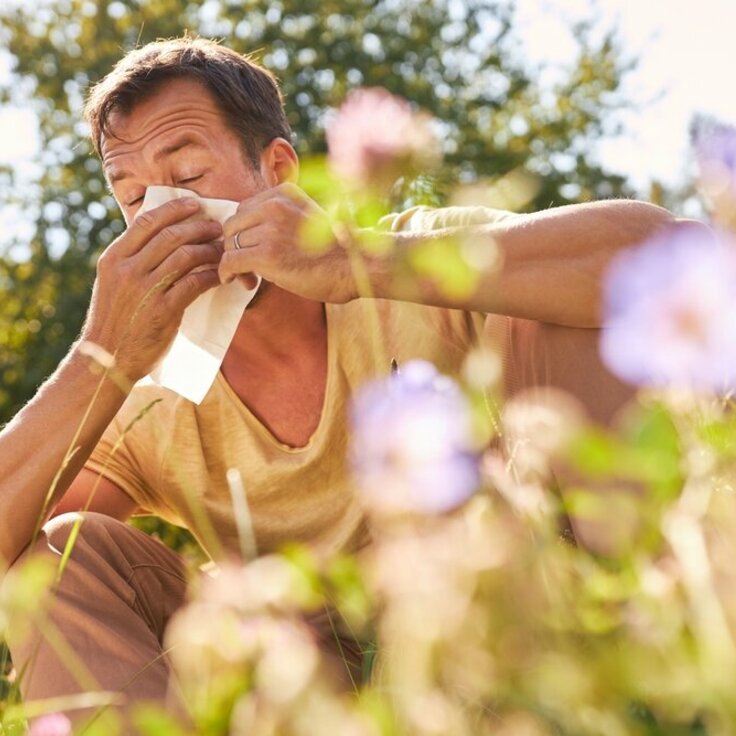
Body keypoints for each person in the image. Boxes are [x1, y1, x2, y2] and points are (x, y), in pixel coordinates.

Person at [1, 36, 678, 725]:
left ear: (278, 170)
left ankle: (655, 661)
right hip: (295, 684)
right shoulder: (152, 391)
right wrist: (102, 354)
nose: (163, 216)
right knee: (55, 552)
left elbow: (669, 258)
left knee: (566, 307)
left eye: (189, 174)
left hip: (491, 615)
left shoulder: (403, 261)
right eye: (134, 196)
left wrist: (362, 264)